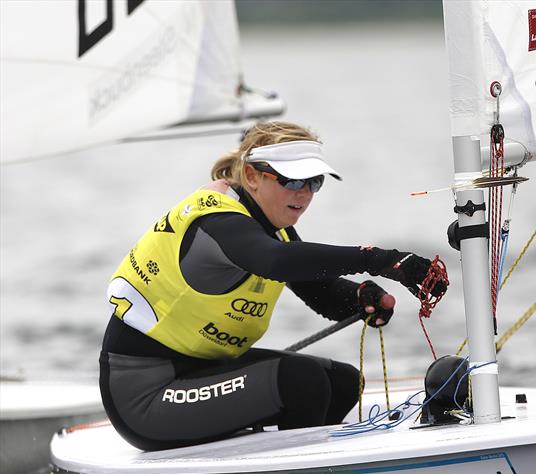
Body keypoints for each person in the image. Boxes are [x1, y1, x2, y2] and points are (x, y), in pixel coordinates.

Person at [100, 121, 445, 451]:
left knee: (342, 382)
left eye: (315, 183)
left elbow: (319, 293)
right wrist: (382, 260)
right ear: (251, 176)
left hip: (202, 372)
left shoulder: (271, 225)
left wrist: (360, 298)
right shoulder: (218, 221)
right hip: (145, 395)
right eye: (293, 182)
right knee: (301, 382)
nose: (305, 194)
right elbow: (274, 260)